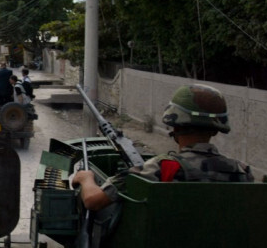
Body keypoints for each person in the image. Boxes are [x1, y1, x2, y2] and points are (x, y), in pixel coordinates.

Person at [72, 84, 254, 211]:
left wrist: (86, 178)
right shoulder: (242, 173)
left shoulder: (161, 168)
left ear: (175, 126)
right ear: (216, 129)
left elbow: (93, 201)